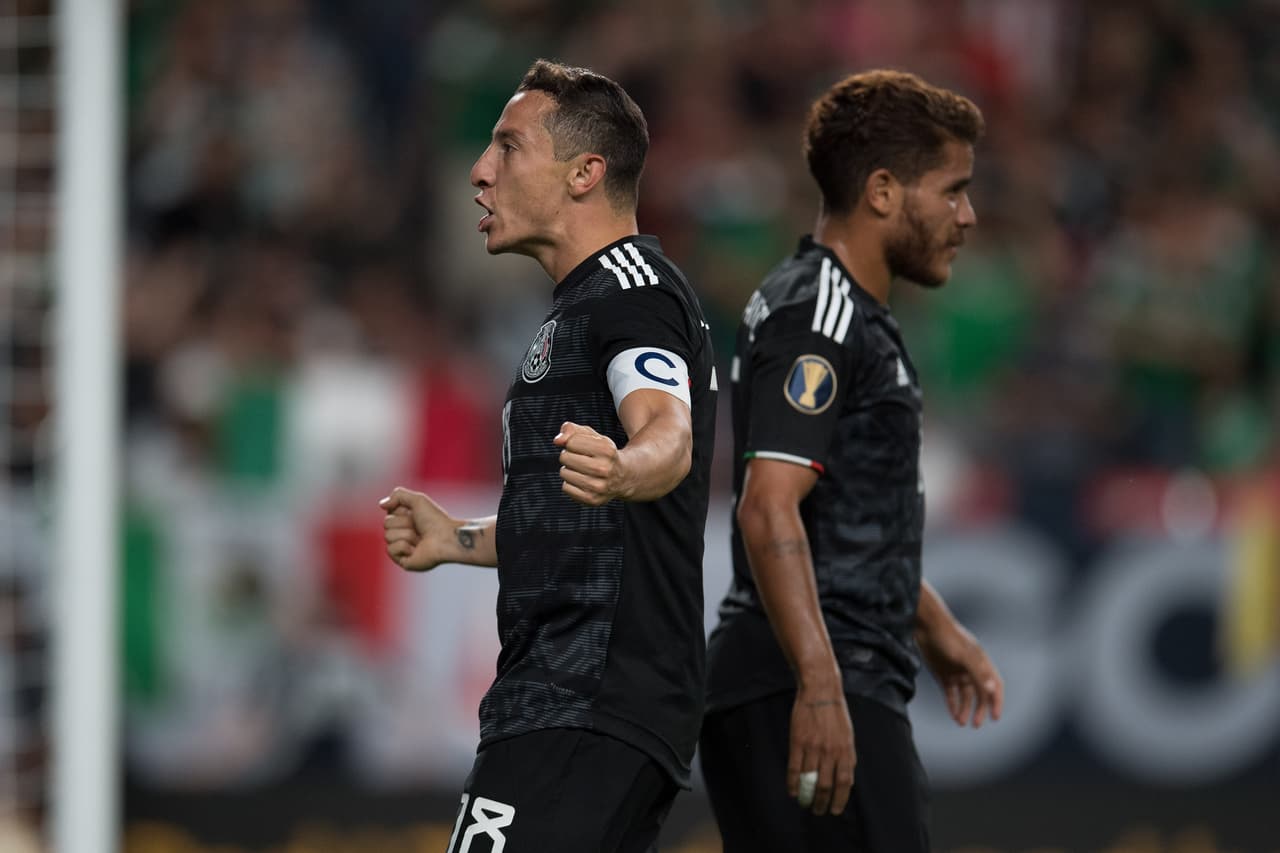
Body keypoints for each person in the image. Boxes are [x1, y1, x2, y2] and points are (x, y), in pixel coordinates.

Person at [380, 60, 717, 852]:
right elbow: (573, 511)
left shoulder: (634, 291)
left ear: (584, 173)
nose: (480, 170)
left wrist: (632, 465)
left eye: (508, 146)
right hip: (571, 696)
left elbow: (667, 429)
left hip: (589, 692)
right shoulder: (574, 309)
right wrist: (457, 538)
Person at [700, 69, 1004, 852]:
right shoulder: (820, 308)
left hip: (812, 669)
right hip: (810, 674)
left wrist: (934, 624)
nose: (967, 215)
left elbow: (843, 517)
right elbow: (768, 502)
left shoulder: (846, 312)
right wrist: (823, 683)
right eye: (952, 189)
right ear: (881, 191)